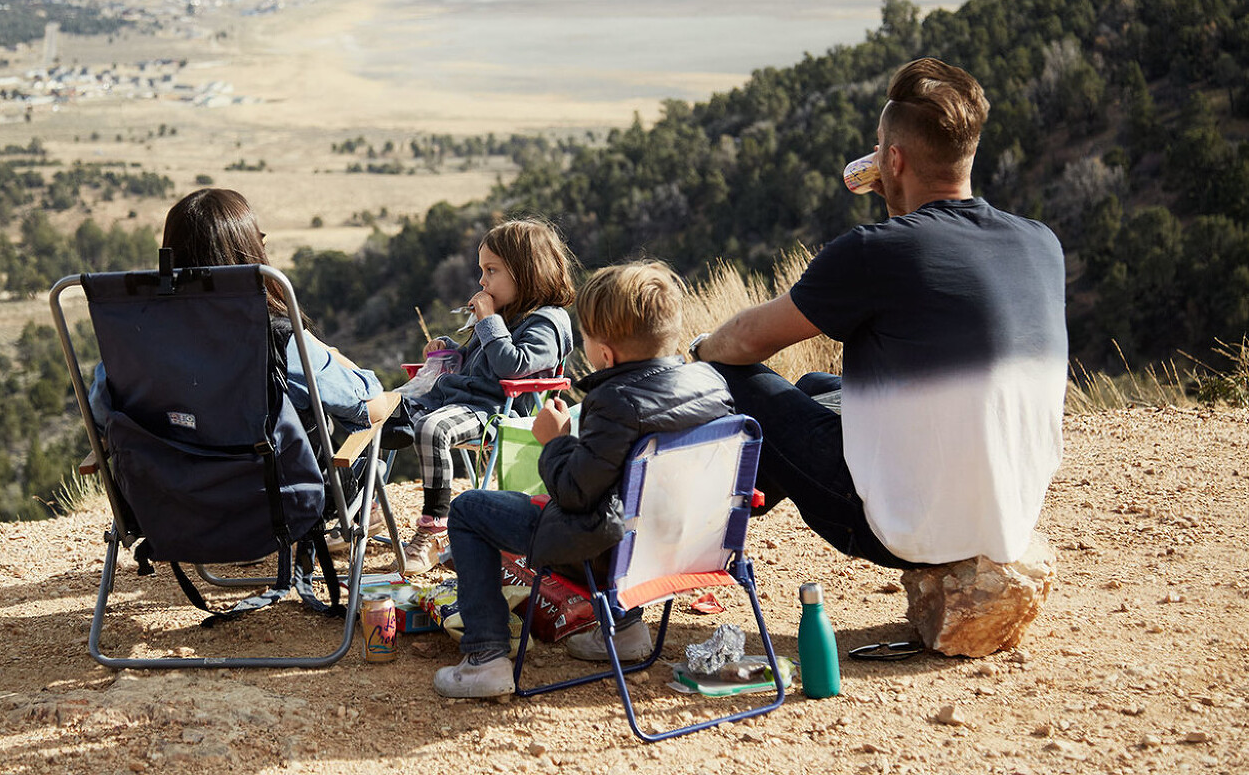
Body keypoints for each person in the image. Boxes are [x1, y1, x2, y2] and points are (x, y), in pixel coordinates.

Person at [688, 57, 1067, 569]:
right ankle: (714, 527)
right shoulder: (1041, 243)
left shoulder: (876, 251)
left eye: (877, 146)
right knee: (814, 388)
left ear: (893, 160)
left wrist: (699, 352)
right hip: (1008, 521)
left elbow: (749, 340)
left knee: (730, 376)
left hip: (903, 531)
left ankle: (682, 531)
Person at [432, 262, 735, 698]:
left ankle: (486, 658)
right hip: (687, 546)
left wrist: (555, 441)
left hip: (609, 556)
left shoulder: (614, 402)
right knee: (633, 499)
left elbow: (574, 494)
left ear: (605, 354)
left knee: (468, 509)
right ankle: (627, 630)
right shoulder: (712, 383)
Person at [87, 187, 400, 435]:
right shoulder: (276, 341)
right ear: (249, 253)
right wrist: (322, 348)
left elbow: (102, 419)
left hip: (165, 510)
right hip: (274, 509)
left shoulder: (133, 339)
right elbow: (370, 407)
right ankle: (368, 510)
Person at [396, 218, 577, 574]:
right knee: (381, 412)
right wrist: (449, 351)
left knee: (433, 429)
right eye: (482, 270)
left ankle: (435, 526)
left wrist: (489, 321)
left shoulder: (548, 324)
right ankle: (365, 509)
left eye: (491, 270)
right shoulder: (504, 314)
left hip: (497, 412)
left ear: (527, 272)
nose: (482, 281)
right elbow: (480, 363)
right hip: (463, 401)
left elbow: (513, 366)